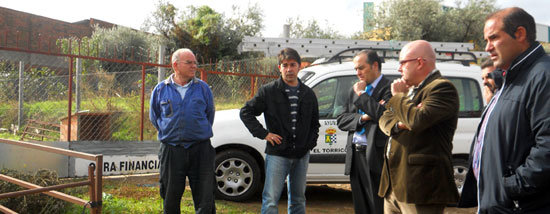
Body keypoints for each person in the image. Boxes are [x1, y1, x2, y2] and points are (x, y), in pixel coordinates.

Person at [458, 7, 550, 213]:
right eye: (486, 40)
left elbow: (547, 147)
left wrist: (511, 187)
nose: (487, 48)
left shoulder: (543, 75)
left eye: (493, 38)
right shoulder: (509, 79)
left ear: (519, 34)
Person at [378, 40, 459, 214]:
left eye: (402, 63)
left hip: (421, 187)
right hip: (395, 184)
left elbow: (417, 121)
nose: (399, 69)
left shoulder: (442, 88)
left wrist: (399, 98)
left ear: (420, 62)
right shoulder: (410, 90)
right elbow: (384, 119)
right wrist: (400, 123)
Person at [240, 47, 320, 214]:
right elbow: (246, 112)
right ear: (279, 68)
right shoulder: (268, 91)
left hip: (301, 155)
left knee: (298, 199)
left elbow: (314, 123)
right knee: (270, 200)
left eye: (292, 65)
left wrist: (309, 143)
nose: (289, 69)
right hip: (277, 154)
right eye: (285, 65)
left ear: (299, 66)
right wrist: (264, 134)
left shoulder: (308, 94)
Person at [149, 48, 216, 214]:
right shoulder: (160, 90)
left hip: (200, 149)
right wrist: (171, 133)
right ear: (175, 65)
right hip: (172, 150)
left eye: (195, 63)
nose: (194, 66)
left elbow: (209, 115)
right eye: (189, 63)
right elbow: (155, 117)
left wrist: (194, 133)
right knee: (170, 196)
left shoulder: (203, 88)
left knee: (205, 198)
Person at [336, 50, 391, 214]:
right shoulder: (354, 89)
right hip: (355, 155)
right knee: (361, 206)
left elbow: (382, 114)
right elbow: (341, 120)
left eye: (361, 68)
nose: (358, 73)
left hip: (376, 155)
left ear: (375, 65)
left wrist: (362, 95)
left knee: (377, 205)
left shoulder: (389, 88)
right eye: (356, 69)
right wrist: (363, 118)